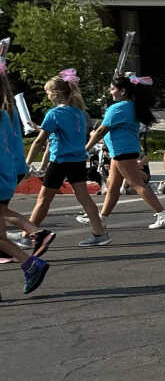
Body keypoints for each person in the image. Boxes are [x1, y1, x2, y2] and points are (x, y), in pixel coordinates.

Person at [24, 73, 113, 245]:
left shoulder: (54, 113)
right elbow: (65, 134)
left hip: (60, 161)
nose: (47, 96)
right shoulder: (78, 113)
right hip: (77, 160)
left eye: (48, 92)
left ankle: (27, 235)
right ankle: (100, 233)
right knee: (84, 198)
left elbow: (39, 141)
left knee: (43, 199)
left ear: (56, 93)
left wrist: (26, 162)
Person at [85, 75, 165, 229]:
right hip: (122, 151)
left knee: (137, 184)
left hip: (122, 151)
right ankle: (102, 218)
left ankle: (162, 213)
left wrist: (86, 148)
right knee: (113, 187)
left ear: (123, 91)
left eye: (113, 89)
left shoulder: (118, 108)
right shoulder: (131, 105)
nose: (110, 92)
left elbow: (101, 130)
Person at [0, 59, 49, 294]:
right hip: (7, 175)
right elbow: (15, 146)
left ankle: (31, 261)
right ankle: (30, 263)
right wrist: (20, 170)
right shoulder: (6, 112)